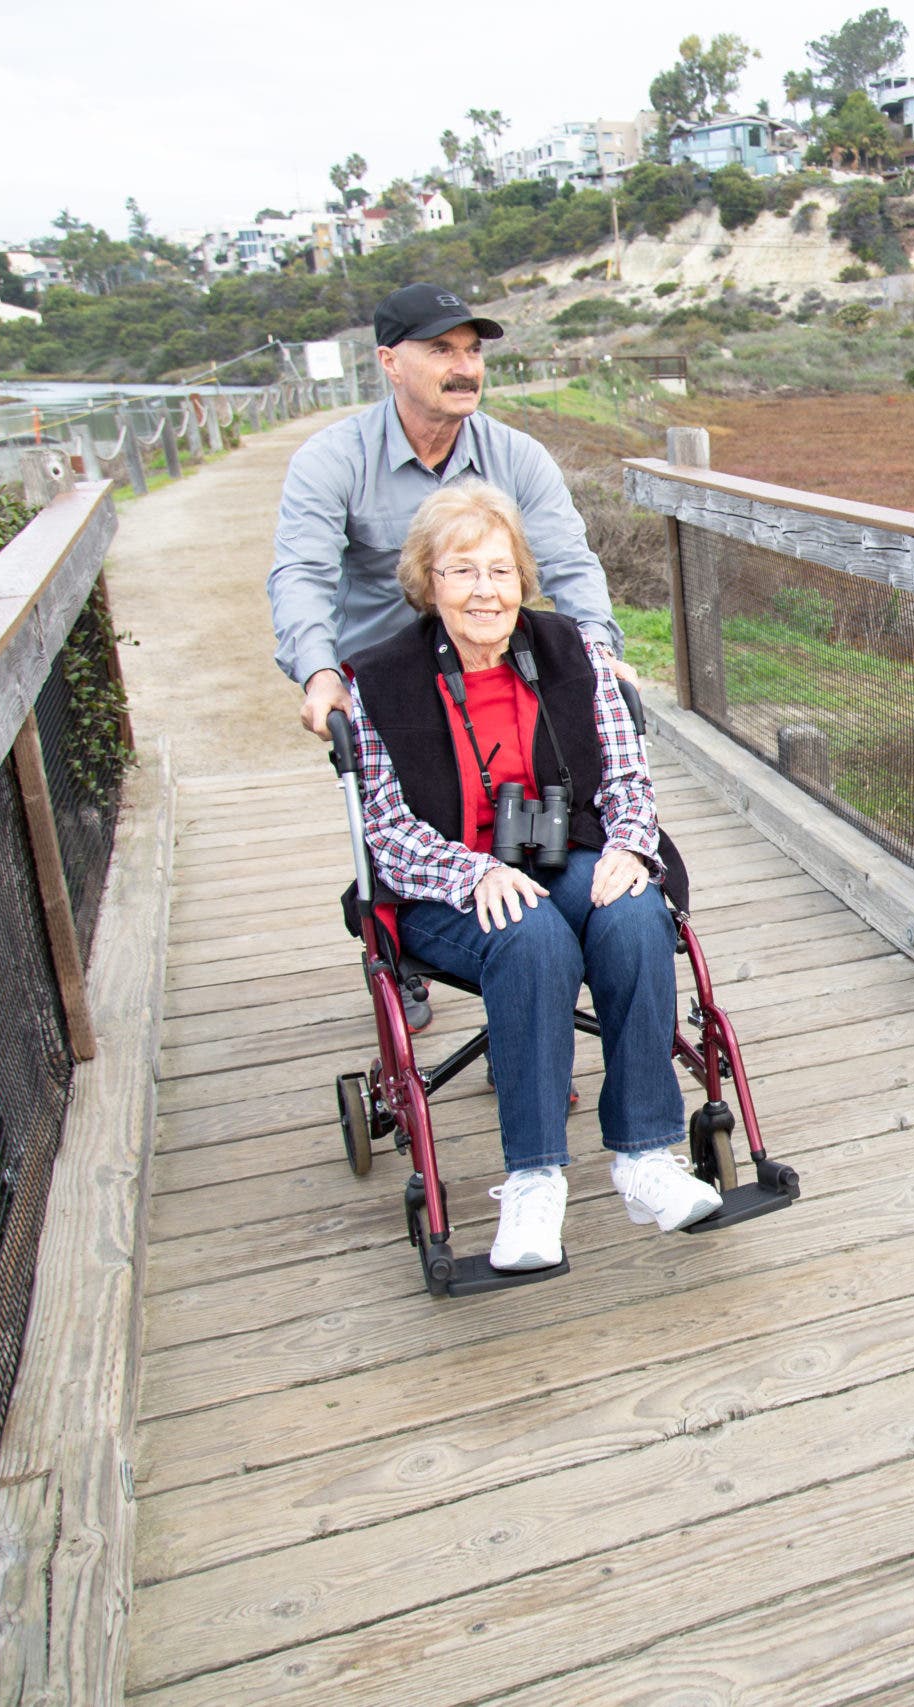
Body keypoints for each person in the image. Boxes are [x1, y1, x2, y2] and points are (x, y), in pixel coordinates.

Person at [345, 480, 719, 1269]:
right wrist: (471, 871)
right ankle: (535, 1181)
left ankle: (644, 1158)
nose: (487, 590)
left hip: (566, 852)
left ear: (523, 576)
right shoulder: (379, 679)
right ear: (429, 581)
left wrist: (626, 848)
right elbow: (384, 826)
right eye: (463, 571)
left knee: (635, 911)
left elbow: (625, 779)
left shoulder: (571, 650)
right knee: (531, 934)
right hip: (442, 884)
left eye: (501, 570)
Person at [269, 280, 632, 744]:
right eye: (442, 351)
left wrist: (597, 649)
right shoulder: (332, 460)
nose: (466, 369)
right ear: (390, 363)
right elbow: (301, 574)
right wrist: (320, 674)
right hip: (386, 687)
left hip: (501, 679)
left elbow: (569, 561)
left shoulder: (518, 456)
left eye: (473, 351)